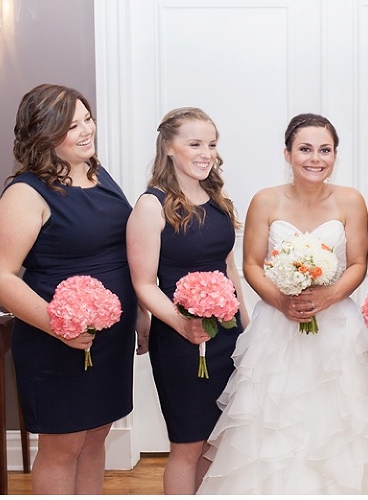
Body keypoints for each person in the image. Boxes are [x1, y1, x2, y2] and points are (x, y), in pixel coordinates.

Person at [196, 113, 368, 494]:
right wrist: (281, 301)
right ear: (287, 153)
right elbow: (251, 265)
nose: (315, 158)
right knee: (276, 428)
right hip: (277, 329)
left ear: (335, 155)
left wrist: (328, 295)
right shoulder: (265, 200)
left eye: (325, 150)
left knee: (349, 427)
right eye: (305, 149)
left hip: (338, 329)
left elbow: (358, 264)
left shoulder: (352, 200)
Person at [0, 83, 147, 494]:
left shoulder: (98, 174)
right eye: (73, 125)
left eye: (87, 118)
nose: (87, 130)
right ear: (45, 135)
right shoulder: (26, 193)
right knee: (63, 445)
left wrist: (141, 313)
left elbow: (121, 254)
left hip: (109, 339)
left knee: (95, 438)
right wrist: (60, 327)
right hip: (54, 340)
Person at [126, 107, 249, 494]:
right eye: (194, 143)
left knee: (216, 443)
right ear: (168, 147)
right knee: (188, 442)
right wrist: (182, 323)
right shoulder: (152, 205)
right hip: (180, 340)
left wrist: (247, 332)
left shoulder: (217, 199)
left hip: (226, 338)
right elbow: (144, 284)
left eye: (211, 144)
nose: (205, 153)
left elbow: (230, 272)